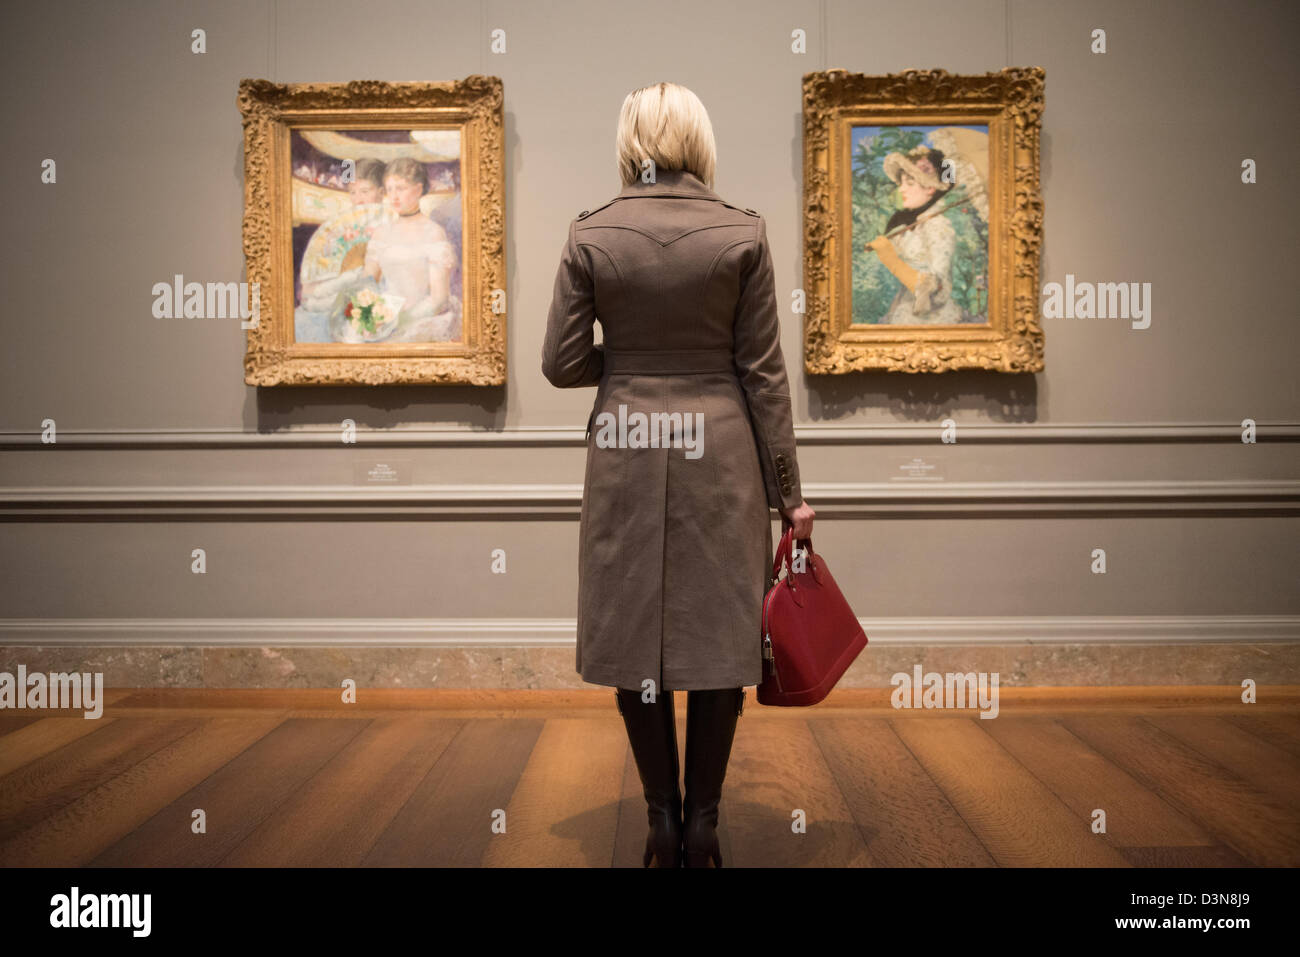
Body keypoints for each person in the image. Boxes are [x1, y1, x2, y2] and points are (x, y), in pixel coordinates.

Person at [542, 82, 814, 867]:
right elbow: (764, 374)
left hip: (626, 444)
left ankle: (660, 821)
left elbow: (560, 363)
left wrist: (625, 366)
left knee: (636, 630)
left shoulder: (593, 231)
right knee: (717, 630)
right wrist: (789, 494)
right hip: (721, 449)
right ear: (698, 141)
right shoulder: (743, 231)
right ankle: (705, 825)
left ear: (632, 141)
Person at [362, 156, 461, 341]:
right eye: (390, 189)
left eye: (400, 188)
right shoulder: (381, 233)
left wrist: (398, 322)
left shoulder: (433, 233)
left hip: (420, 321)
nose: (394, 196)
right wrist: (367, 314)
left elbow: (438, 299)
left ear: (418, 189)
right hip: (383, 320)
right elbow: (367, 282)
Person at [867, 145, 965, 325]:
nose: (902, 189)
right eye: (901, 182)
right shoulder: (912, 224)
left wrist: (892, 261)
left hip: (929, 321)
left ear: (930, 189)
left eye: (910, 183)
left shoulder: (938, 226)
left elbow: (938, 292)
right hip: (902, 309)